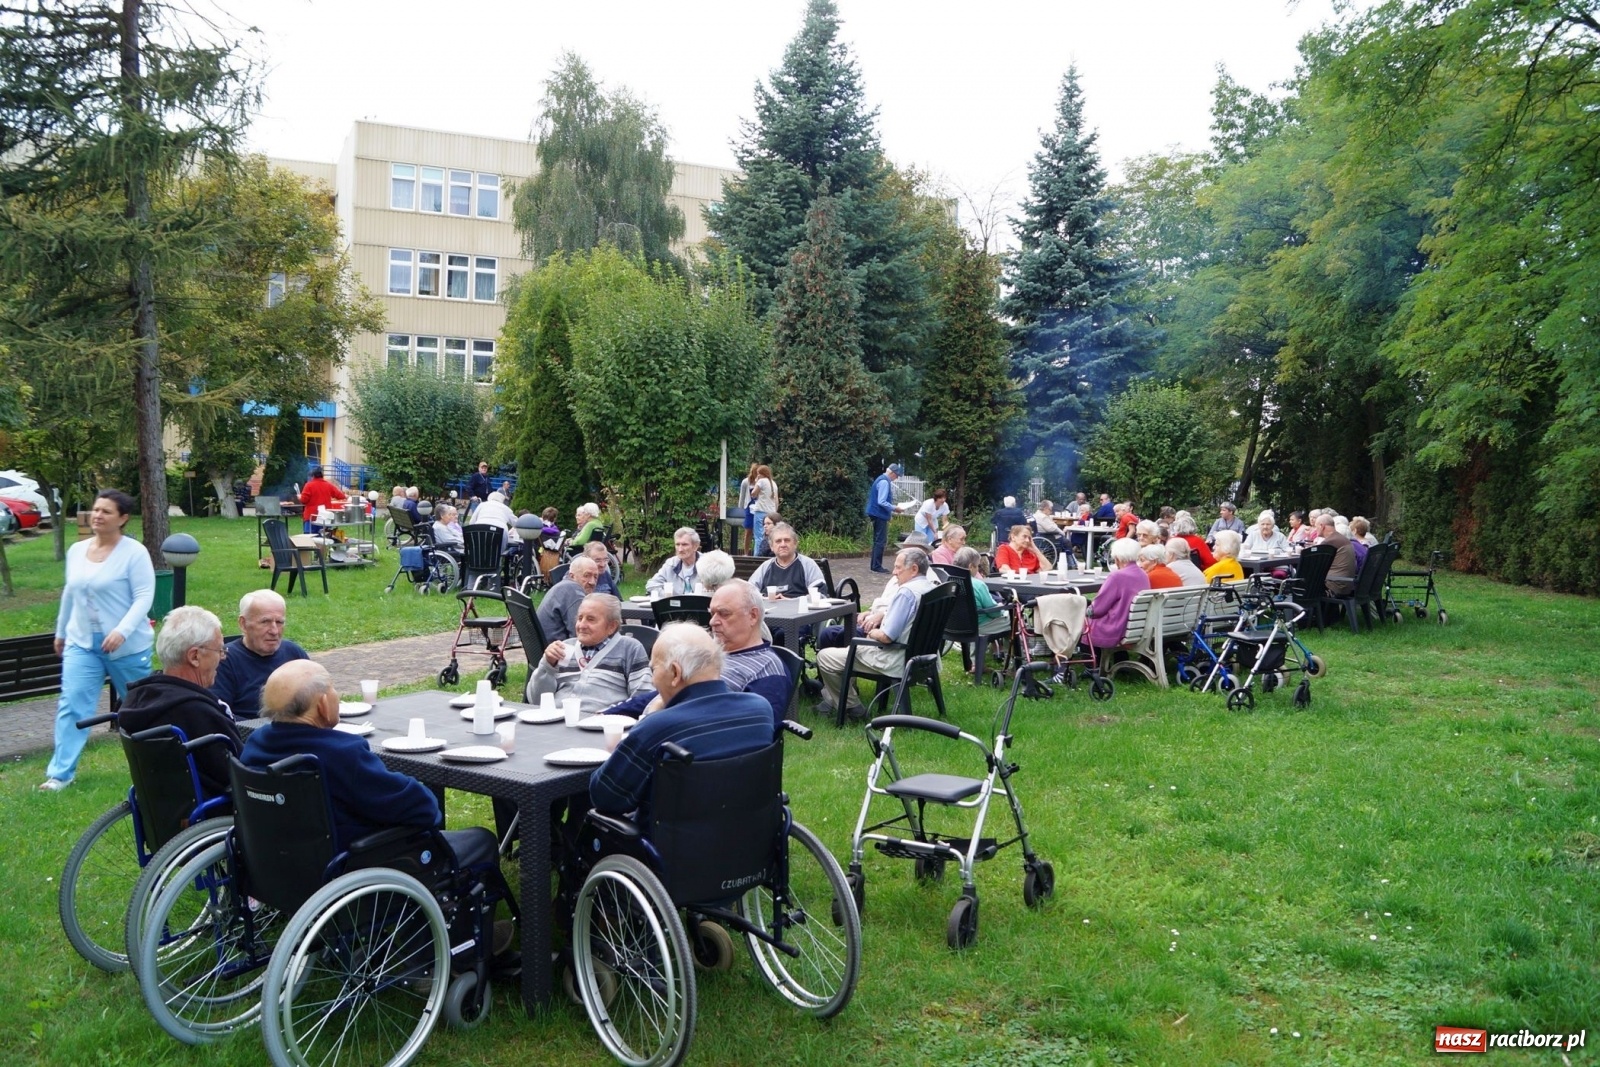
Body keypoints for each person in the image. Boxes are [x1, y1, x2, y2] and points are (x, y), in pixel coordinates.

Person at [589, 624, 774, 823]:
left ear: (675, 673)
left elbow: (606, 797)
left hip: (669, 847)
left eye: (653, 670)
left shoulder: (658, 728)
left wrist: (648, 719)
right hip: (748, 837)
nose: (652, 681)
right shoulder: (760, 710)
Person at [42, 489, 155, 791]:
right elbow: (70, 592)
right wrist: (61, 631)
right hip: (82, 643)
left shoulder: (134, 553)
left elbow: (144, 597)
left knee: (140, 709)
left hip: (127, 646)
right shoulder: (77, 551)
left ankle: (157, 764)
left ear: (122, 518)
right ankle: (60, 774)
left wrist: (122, 630)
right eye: (96, 510)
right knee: (72, 703)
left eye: (106, 511)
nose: (98, 516)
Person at [604, 580, 791, 725]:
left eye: (724, 614)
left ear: (753, 615)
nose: (712, 622)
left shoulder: (768, 670)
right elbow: (659, 694)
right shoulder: (708, 656)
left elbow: (760, 732)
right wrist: (606, 715)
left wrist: (656, 717)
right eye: (712, 613)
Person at [118, 606, 243, 798]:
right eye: (220, 650)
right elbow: (238, 773)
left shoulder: (140, 698)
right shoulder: (197, 712)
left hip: (165, 808)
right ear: (194, 656)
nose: (223, 657)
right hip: (215, 811)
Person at [817, 548, 936, 718]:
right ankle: (833, 699)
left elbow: (887, 637)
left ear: (914, 569)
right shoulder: (930, 588)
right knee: (846, 650)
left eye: (898, 568)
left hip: (894, 659)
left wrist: (872, 632)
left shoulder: (907, 593)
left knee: (825, 656)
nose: (894, 572)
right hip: (923, 657)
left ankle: (852, 707)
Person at [528, 594, 652, 715]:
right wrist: (548, 665)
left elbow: (644, 696)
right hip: (557, 721)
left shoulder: (629, 648)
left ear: (611, 626)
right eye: (580, 618)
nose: (582, 625)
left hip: (602, 725)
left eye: (591, 619)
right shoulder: (565, 648)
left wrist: (610, 714)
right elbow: (536, 701)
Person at [210, 589, 310, 719]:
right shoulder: (224, 660)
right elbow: (219, 715)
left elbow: (319, 697)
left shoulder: (294, 654)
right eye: (265, 622)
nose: (274, 631)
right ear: (243, 624)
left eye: (279, 622)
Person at [1083, 538, 1151, 650]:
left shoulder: (1117, 576)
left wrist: (1086, 610)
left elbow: (1097, 610)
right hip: (1133, 626)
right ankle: (1119, 658)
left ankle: (1090, 665)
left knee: (1080, 619)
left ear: (1117, 558)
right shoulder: (1143, 574)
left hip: (1115, 628)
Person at [749, 522, 826, 599]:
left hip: (799, 609)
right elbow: (748, 592)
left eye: (787, 540)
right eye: (778, 541)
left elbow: (820, 594)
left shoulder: (808, 565)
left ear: (795, 544)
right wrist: (766, 599)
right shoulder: (765, 567)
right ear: (771, 547)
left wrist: (792, 602)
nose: (783, 545)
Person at [537, 555, 600, 642]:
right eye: (587, 575)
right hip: (558, 651)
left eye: (595, 577)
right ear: (572, 576)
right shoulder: (573, 592)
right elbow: (581, 635)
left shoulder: (564, 586)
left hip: (546, 647)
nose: (592, 582)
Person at [953, 546, 1011, 637]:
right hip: (980, 626)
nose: (978, 569)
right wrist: (1000, 607)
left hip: (955, 626)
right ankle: (1012, 649)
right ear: (971, 566)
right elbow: (994, 613)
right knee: (1015, 618)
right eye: (978, 566)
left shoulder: (949, 581)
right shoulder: (978, 585)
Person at [863, 463, 900, 572]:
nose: (896, 478)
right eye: (896, 476)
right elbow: (882, 501)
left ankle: (874, 565)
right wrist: (894, 508)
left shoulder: (881, 479)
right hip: (878, 514)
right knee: (880, 540)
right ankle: (876, 566)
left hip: (876, 513)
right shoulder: (884, 481)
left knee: (877, 540)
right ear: (892, 473)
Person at [646, 527, 702, 596]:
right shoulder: (671, 564)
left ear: (695, 546)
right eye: (677, 544)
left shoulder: (709, 564)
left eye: (684, 545)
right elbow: (651, 585)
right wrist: (669, 597)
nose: (680, 549)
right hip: (675, 605)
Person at [1315, 513, 1359, 595]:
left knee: (1305, 586)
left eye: (1316, 526)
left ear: (1322, 526)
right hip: (1346, 584)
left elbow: (1317, 565)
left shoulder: (1329, 542)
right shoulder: (1342, 538)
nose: (1315, 529)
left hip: (1334, 586)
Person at [297, 466, 347, 533]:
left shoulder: (308, 485)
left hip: (311, 517)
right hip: (325, 517)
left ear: (313, 476)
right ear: (322, 475)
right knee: (325, 539)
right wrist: (346, 496)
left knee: (309, 539)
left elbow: (304, 500)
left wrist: (299, 497)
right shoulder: (328, 485)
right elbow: (340, 496)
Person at [748, 464, 780, 556]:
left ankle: (757, 557)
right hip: (772, 513)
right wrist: (775, 511)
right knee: (770, 535)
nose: (757, 476)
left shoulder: (761, 481)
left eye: (758, 474)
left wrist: (756, 481)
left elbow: (753, 494)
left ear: (763, 474)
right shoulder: (774, 483)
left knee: (758, 536)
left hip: (760, 511)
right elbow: (776, 500)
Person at [737, 462, 760, 555]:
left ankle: (757, 553)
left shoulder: (761, 482)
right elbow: (742, 497)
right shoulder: (746, 482)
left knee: (758, 532)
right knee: (748, 531)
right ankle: (746, 552)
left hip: (758, 506)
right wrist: (740, 510)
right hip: (748, 507)